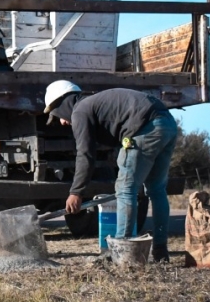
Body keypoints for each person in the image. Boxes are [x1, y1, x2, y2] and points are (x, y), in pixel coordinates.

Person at [43, 80, 178, 262]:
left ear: (63, 103)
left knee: (125, 189)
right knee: (156, 190)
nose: (61, 121)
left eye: (57, 114)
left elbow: (85, 155)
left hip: (146, 128)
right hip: (167, 123)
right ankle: (161, 252)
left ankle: (122, 250)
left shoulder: (80, 110)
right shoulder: (95, 104)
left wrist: (76, 192)